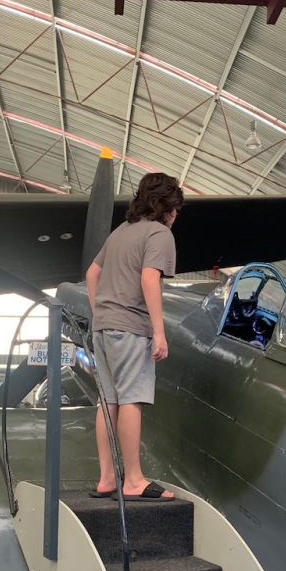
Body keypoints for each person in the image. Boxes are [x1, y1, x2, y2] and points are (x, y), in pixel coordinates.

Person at [86, 172, 184, 501]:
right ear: (168, 207)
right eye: (176, 209)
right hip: (131, 327)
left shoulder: (120, 233)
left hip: (103, 326)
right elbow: (148, 280)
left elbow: (91, 274)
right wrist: (159, 331)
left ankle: (107, 478)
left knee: (108, 400)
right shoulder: (159, 234)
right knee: (131, 399)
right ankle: (134, 480)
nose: (176, 217)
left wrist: (100, 312)